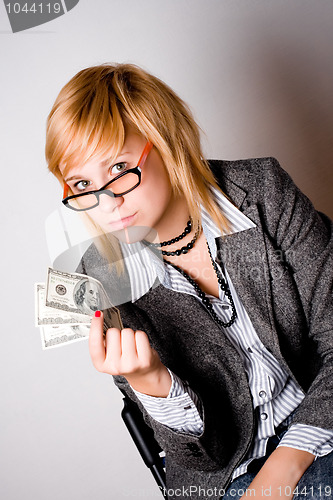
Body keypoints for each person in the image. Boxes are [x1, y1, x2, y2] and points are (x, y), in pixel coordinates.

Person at [45, 63, 333, 500]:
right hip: (223, 481)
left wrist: (287, 462)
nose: (106, 202)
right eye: (83, 182)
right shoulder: (96, 278)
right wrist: (153, 383)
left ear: (166, 141)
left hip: (320, 428)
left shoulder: (262, 192)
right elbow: (203, 460)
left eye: (120, 167)